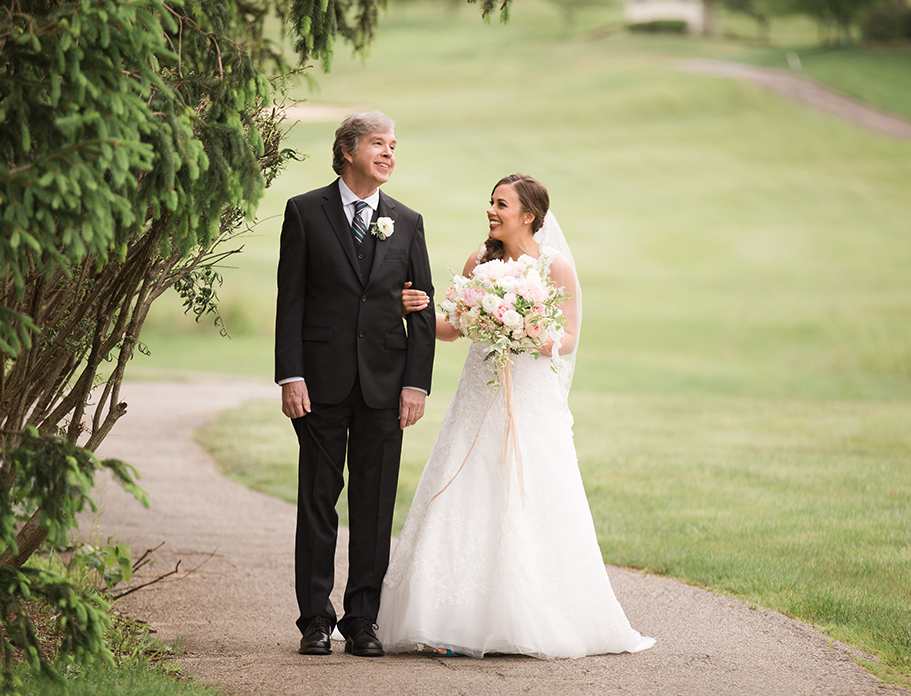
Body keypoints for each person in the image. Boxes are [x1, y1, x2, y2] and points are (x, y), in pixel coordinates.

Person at [377, 174, 655, 659]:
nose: (491, 210)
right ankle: (447, 619)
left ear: (528, 215)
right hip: (477, 396)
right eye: (490, 202)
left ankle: (529, 616)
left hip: (529, 396)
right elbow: (453, 328)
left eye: (501, 204)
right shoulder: (478, 261)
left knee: (532, 494)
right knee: (465, 485)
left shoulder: (555, 267)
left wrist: (526, 330)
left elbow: (567, 337)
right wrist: (416, 311)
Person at [275, 111, 436, 658]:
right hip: (319, 384)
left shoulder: (408, 221)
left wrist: (416, 384)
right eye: (377, 143)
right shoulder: (304, 213)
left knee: (375, 505)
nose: (389, 153)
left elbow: (422, 307)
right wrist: (291, 375)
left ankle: (362, 619)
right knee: (318, 500)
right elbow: (290, 303)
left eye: (394, 144)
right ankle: (315, 620)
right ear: (347, 151)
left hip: (386, 387)